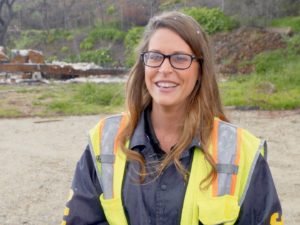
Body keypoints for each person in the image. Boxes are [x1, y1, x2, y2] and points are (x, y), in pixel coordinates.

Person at [62, 11, 283, 225]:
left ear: (200, 70)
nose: (165, 69)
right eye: (155, 56)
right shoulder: (105, 140)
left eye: (180, 58)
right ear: (143, 65)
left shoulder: (241, 151)